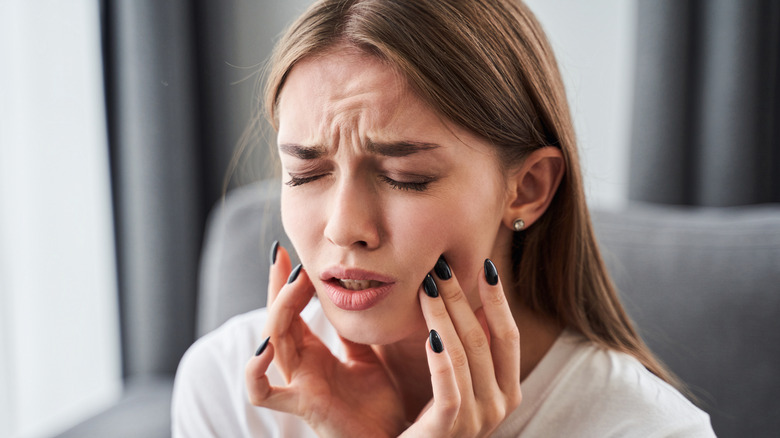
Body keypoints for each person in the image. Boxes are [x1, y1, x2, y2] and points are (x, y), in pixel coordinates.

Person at [172, 0, 715, 436]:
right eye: (306, 174)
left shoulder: (647, 429)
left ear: (526, 189)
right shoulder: (227, 386)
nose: (343, 228)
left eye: (406, 177)